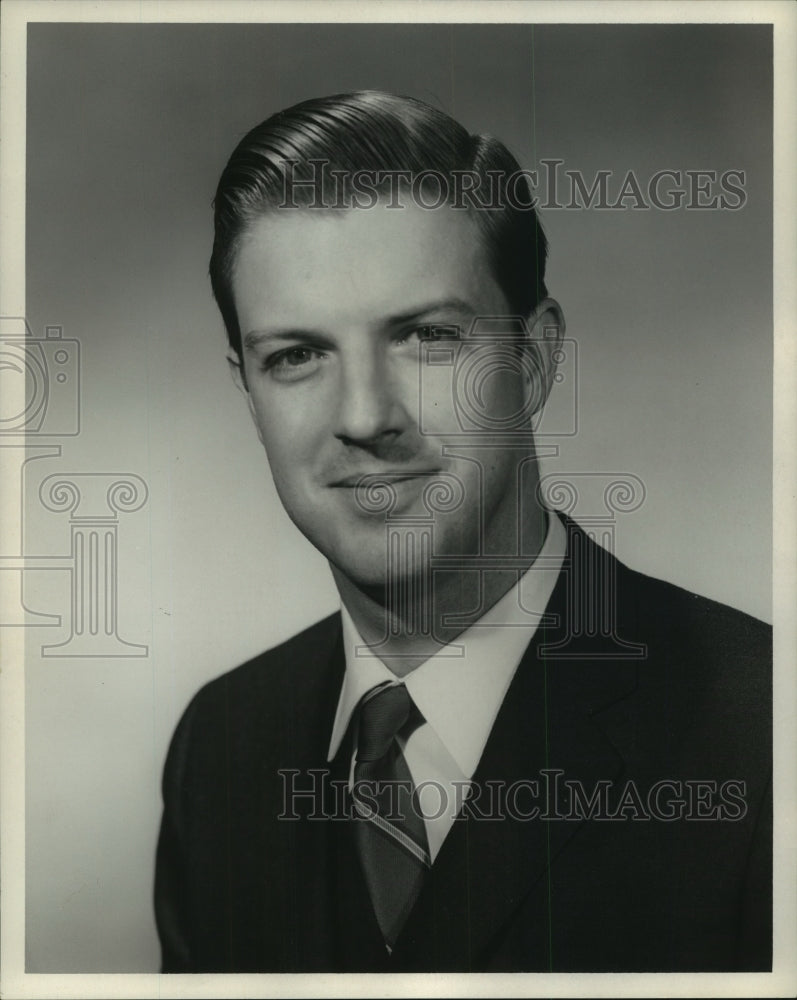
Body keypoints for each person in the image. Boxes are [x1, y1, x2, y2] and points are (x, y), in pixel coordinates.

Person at [154, 91, 771, 973]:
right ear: (248, 392)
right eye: (296, 355)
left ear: (533, 359)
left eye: (425, 337)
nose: (365, 417)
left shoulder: (759, 734)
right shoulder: (222, 746)